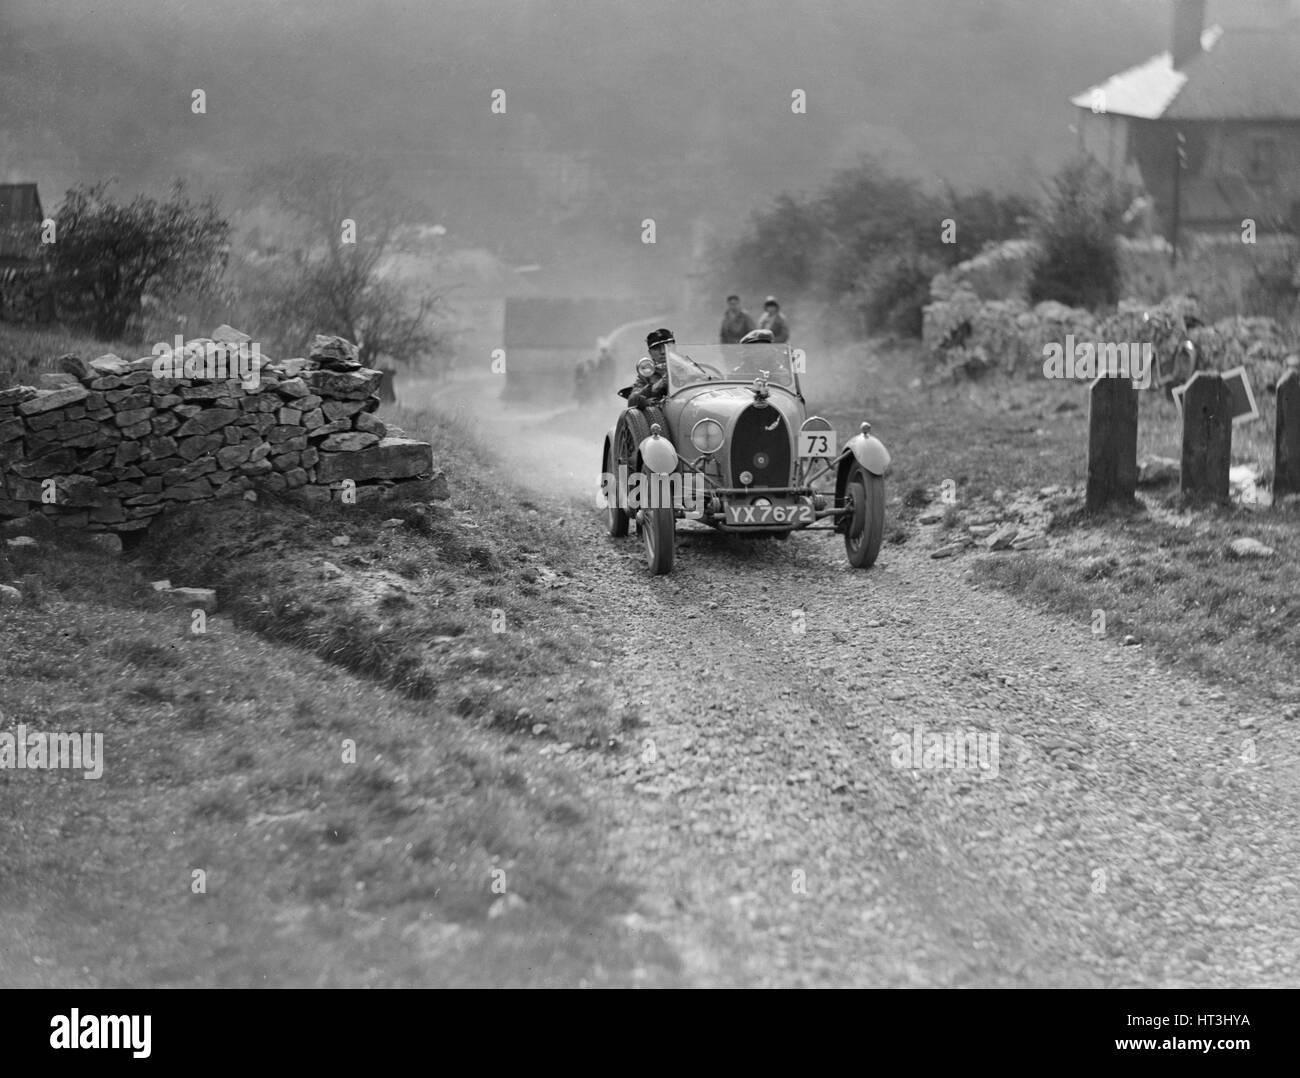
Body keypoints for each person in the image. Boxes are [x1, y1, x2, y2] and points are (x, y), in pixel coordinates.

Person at [628, 327, 674, 408]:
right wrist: (654, 388)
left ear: (674, 347)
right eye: (657, 348)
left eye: (667, 346)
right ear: (650, 353)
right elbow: (632, 400)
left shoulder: (687, 367)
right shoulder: (647, 374)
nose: (663, 352)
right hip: (662, 415)